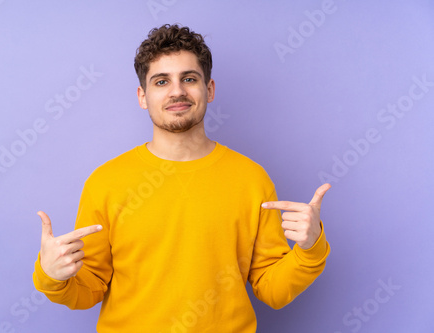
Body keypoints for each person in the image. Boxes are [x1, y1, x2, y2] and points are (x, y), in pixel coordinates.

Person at [33, 24, 331, 332]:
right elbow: (89, 289)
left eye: (189, 79)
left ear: (209, 89)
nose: (177, 91)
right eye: (161, 81)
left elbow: (272, 289)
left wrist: (311, 249)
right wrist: (51, 275)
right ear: (142, 96)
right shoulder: (105, 182)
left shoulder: (252, 179)